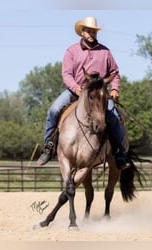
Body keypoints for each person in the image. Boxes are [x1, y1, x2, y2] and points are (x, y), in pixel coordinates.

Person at [37, 17, 127, 169]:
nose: (92, 34)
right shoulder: (71, 51)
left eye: (94, 31)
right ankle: (49, 146)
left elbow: (115, 72)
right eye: (88, 31)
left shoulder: (105, 52)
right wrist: (76, 88)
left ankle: (119, 152)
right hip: (76, 91)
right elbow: (66, 74)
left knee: (115, 117)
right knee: (53, 110)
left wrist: (115, 88)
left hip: (99, 94)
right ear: (82, 32)